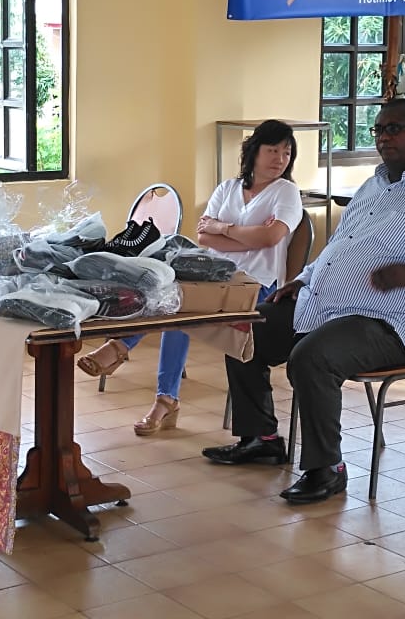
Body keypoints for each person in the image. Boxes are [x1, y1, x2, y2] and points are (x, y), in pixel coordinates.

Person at [202, 99, 405, 505]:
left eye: (395, 129)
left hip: (386, 323)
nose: (384, 138)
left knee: (311, 357)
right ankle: (262, 439)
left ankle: (327, 468)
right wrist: (303, 278)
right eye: (379, 130)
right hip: (323, 305)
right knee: (245, 327)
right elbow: (341, 244)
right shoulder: (373, 186)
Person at [76, 119, 304, 436]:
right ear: (254, 151)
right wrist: (243, 235)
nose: (280, 159)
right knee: (171, 294)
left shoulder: (286, 192)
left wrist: (223, 229)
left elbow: (269, 238)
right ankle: (160, 393)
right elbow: (204, 237)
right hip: (214, 275)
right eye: (273, 150)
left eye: (286, 152)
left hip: (256, 286)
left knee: (181, 307)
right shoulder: (228, 188)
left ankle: (137, 365)